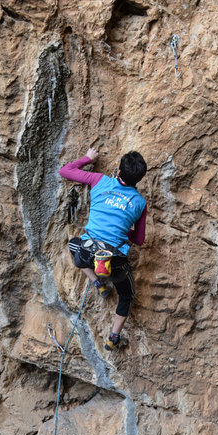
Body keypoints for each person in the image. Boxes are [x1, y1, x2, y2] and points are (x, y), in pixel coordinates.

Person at [59, 147, 147, 351]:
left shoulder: (99, 180)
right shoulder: (139, 203)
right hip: (114, 261)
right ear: (139, 179)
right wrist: (123, 229)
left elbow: (65, 171)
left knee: (73, 244)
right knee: (127, 295)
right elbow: (139, 239)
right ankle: (113, 338)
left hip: (88, 253)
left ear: (118, 171)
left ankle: (97, 282)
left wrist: (88, 159)